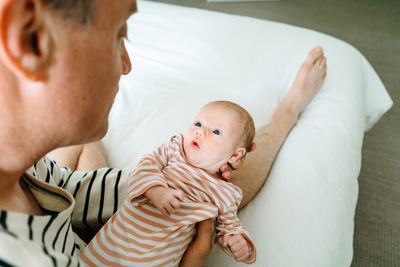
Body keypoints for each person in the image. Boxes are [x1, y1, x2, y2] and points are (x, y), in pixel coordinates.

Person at [0, 0, 327, 266]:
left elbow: (102, 189)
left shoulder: (25, 166)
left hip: (83, 217)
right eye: (119, 36)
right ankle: (287, 114)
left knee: (87, 147)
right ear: (28, 37)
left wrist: (192, 179)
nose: (126, 65)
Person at [81, 101, 258, 266]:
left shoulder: (226, 192)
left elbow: (229, 225)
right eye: (197, 124)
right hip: (109, 249)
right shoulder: (174, 150)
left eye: (216, 132)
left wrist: (237, 241)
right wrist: (156, 191)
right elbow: (145, 166)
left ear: (236, 155)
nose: (199, 132)